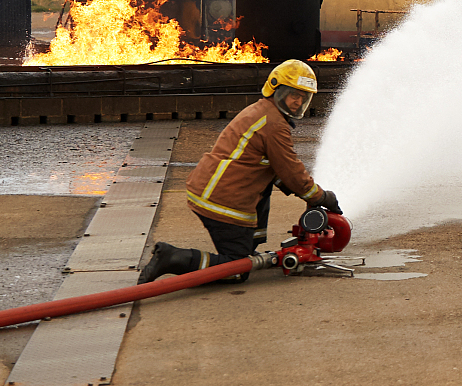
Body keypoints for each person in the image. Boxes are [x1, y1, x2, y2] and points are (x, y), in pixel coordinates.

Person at [139, 60, 340, 282]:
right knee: (236, 270)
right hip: (222, 200)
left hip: (214, 189)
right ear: (275, 88)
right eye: (293, 94)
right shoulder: (273, 124)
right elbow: (291, 171)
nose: (298, 101)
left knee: (263, 195)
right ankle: (171, 257)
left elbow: (275, 170)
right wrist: (321, 196)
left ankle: (246, 249)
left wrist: (302, 191)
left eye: (303, 96)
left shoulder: (261, 111)